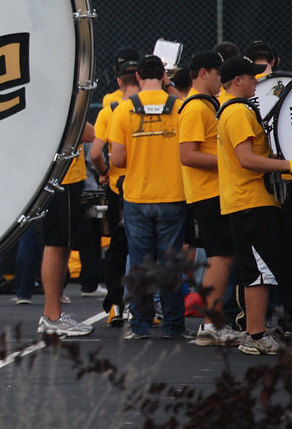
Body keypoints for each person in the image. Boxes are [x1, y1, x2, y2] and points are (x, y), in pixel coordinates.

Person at [216, 55, 292, 355]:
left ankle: (254, 332)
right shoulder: (238, 113)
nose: (257, 81)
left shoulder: (235, 110)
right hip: (248, 203)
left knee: (257, 271)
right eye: (252, 76)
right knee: (258, 272)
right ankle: (255, 336)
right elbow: (246, 159)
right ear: (237, 81)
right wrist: (289, 166)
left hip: (248, 202)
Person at [108, 55, 188, 341]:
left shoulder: (122, 109)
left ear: (138, 77)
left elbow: (117, 157)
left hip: (137, 195)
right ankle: (174, 326)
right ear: (163, 78)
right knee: (170, 265)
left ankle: (140, 326)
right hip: (173, 194)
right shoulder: (179, 107)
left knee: (141, 264)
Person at [177, 50, 242, 347]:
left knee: (222, 257)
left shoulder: (207, 105)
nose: (221, 80)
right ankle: (211, 323)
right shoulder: (195, 108)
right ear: (204, 73)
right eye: (218, 74)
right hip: (207, 194)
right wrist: (231, 160)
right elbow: (188, 155)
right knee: (220, 258)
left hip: (214, 192)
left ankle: (213, 322)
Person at [90, 59, 139, 326]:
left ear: (119, 81)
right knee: (146, 248)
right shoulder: (159, 109)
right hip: (149, 186)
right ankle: (145, 307)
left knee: (117, 248)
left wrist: (104, 171)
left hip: (118, 188)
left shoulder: (110, 110)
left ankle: (114, 306)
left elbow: (95, 152)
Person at [36, 122, 96, 337]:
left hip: (66, 176)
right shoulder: (61, 101)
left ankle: (53, 315)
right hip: (62, 176)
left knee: (62, 245)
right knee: (56, 244)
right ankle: (52, 316)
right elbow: (89, 133)